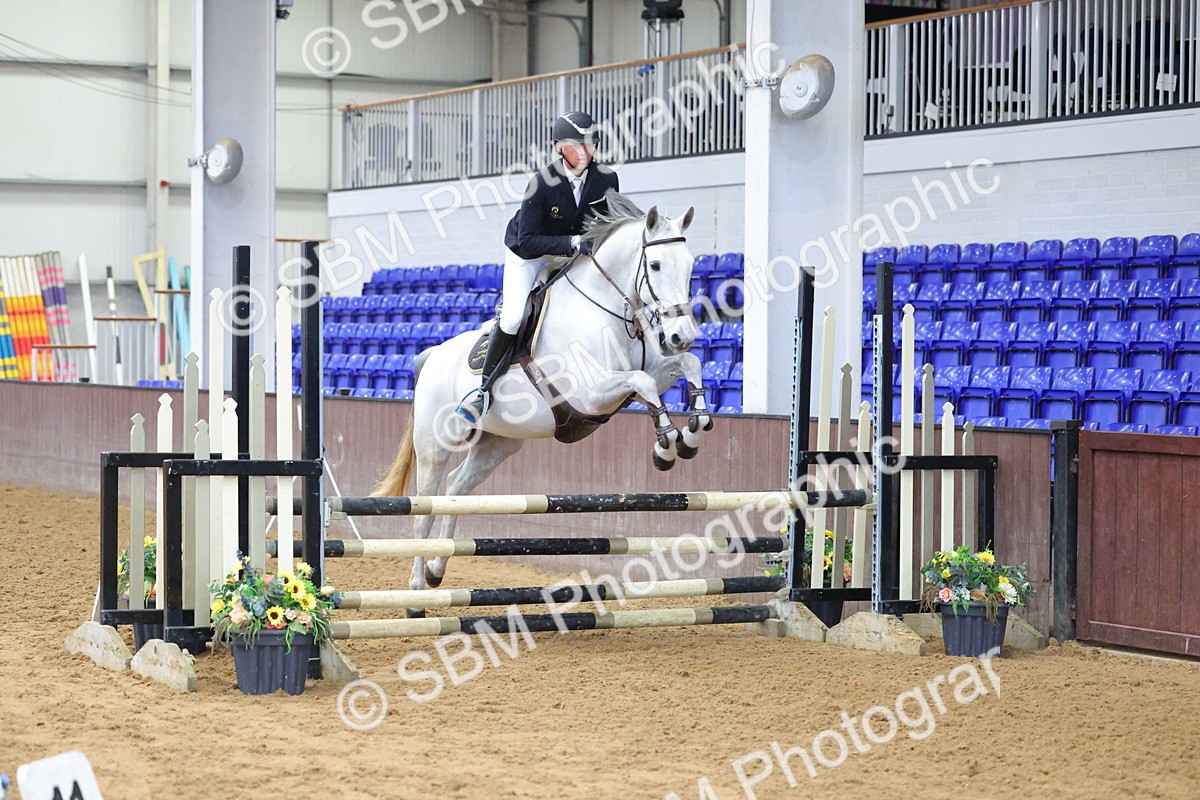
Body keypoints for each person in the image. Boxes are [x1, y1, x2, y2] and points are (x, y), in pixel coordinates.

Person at [455, 110, 620, 423]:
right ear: (558, 147)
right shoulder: (541, 184)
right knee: (516, 316)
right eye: (576, 145)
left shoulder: (607, 179)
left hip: (571, 252)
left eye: (590, 144)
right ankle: (483, 391)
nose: (585, 151)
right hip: (528, 254)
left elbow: (611, 223)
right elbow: (528, 239)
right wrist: (572, 243)